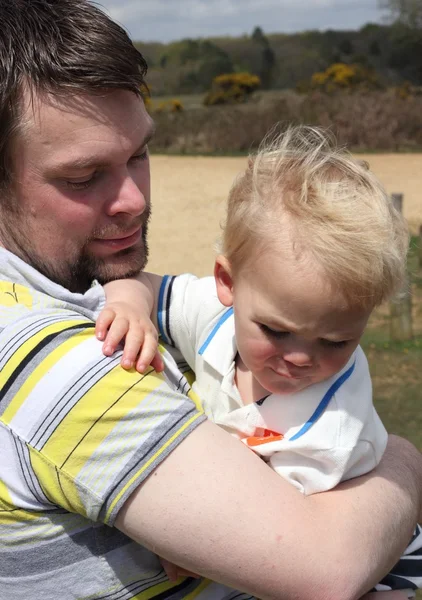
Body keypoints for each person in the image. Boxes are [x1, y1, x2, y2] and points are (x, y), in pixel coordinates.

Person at [0, 1, 420, 599]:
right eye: (81, 176)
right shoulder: (56, 360)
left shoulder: (72, 303)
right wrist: (404, 460)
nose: (134, 201)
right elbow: (326, 569)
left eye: (139, 155)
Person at [97, 126, 422, 598]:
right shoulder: (214, 312)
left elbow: (284, 542)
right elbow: (146, 284)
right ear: (227, 283)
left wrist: (190, 541)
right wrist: (128, 307)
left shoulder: (328, 431)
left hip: (380, 558)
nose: (298, 358)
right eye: (275, 331)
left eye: (336, 341)